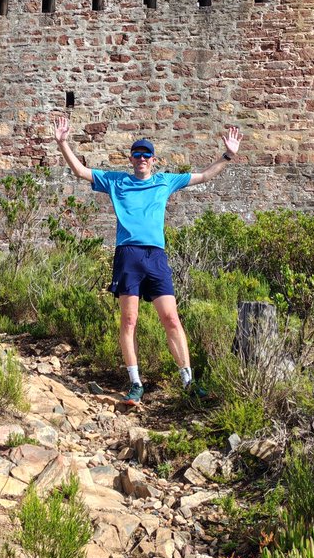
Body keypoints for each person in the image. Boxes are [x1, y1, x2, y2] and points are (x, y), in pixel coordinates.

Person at [53, 116, 243, 403]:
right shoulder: (116, 181)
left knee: (171, 319)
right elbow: (80, 171)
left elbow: (203, 176)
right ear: (131, 159)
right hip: (128, 255)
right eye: (136, 154)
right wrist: (63, 143)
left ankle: (188, 381)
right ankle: (135, 382)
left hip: (155, 256)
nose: (141, 159)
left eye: (146, 155)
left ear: (154, 160)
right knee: (129, 321)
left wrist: (227, 156)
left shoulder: (165, 181)